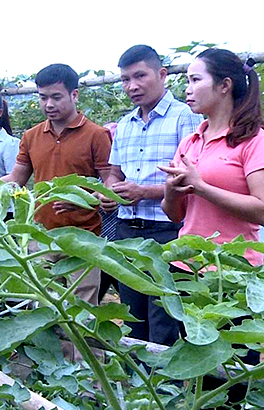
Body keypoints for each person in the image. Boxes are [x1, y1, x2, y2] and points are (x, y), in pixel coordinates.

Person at [99, 45, 203, 346]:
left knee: (164, 318)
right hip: (127, 230)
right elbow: (115, 173)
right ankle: (138, 389)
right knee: (133, 318)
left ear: (162, 75)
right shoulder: (126, 125)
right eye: (125, 79)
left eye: (140, 76)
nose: (132, 86)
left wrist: (143, 192)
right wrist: (110, 192)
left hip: (167, 231)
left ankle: (165, 389)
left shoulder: (185, 118)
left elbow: (193, 180)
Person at [1, 63, 112, 306]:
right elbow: (16, 179)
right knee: (45, 308)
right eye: (42, 97)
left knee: (82, 311)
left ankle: (84, 346)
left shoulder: (97, 135)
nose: (48, 104)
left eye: (56, 97)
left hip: (83, 239)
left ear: (74, 95)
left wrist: (82, 199)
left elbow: (109, 183)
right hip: (41, 237)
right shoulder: (31, 136)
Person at [160, 48, 264, 268]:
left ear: (225, 85)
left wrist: (201, 187)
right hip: (185, 265)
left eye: (195, 80)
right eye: (188, 81)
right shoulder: (190, 142)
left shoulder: (256, 141)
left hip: (233, 270)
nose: (188, 90)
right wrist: (171, 191)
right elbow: (175, 215)